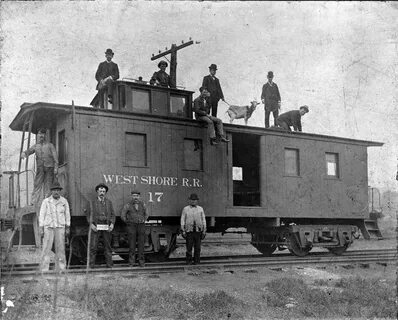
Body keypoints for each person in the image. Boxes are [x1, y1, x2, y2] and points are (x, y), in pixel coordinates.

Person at [21, 127, 58, 206]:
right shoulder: (36, 146)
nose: (41, 136)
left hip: (49, 168)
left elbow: (55, 158)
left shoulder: (50, 145)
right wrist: (24, 153)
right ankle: (33, 202)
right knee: (37, 184)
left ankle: (47, 202)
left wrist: (56, 167)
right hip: (40, 169)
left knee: (48, 185)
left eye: (43, 134)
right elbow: (29, 151)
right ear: (38, 135)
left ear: (45, 136)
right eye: (40, 134)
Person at [39, 181, 70, 272]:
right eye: (54, 190)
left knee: (60, 249)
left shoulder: (64, 201)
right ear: (51, 191)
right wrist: (41, 228)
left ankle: (61, 268)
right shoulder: (46, 201)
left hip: (60, 228)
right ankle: (44, 269)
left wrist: (67, 227)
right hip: (49, 228)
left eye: (57, 190)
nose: (56, 192)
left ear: (60, 191)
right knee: (46, 249)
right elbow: (42, 215)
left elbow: (67, 214)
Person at [86, 183, 115, 268]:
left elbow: (113, 214)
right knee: (93, 247)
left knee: (108, 247)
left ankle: (109, 265)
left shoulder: (109, 202)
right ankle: (91, 266)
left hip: (106, 226)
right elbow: (88, 215)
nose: (102, 192)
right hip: (96, 226)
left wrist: (112, 224)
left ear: (105, 192)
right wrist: (91, 224)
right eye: (100, 191)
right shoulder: (91, 202)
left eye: (103, 191)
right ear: (97, 192)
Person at [121, 190, 148, 267]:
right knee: (132, 245)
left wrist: (143, 220)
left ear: (139, 197)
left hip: (141, 226)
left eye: (137, 196)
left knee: (141, 245)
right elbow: (123, 215)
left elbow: (146, 214)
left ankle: (141, 262)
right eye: (134, 196)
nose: (135, 197)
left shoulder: (143, 205)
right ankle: (131, 263)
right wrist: (128, 222)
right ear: (131, 196)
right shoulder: (128, 205)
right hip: (131, 226)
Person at [180, 193, 207, 265]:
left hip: (198, 231)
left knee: (197, 248)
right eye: (192, 200)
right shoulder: (185, 209)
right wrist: (183, 230)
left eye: (195, 200)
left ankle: (197, 262)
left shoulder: (200, 209)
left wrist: (204, 231)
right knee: (189, 248)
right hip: (189, 231)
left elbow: (203, 219)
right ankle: (188, 261)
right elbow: (182, 219)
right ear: (189, 200)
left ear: (197, 201)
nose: (193, 201)